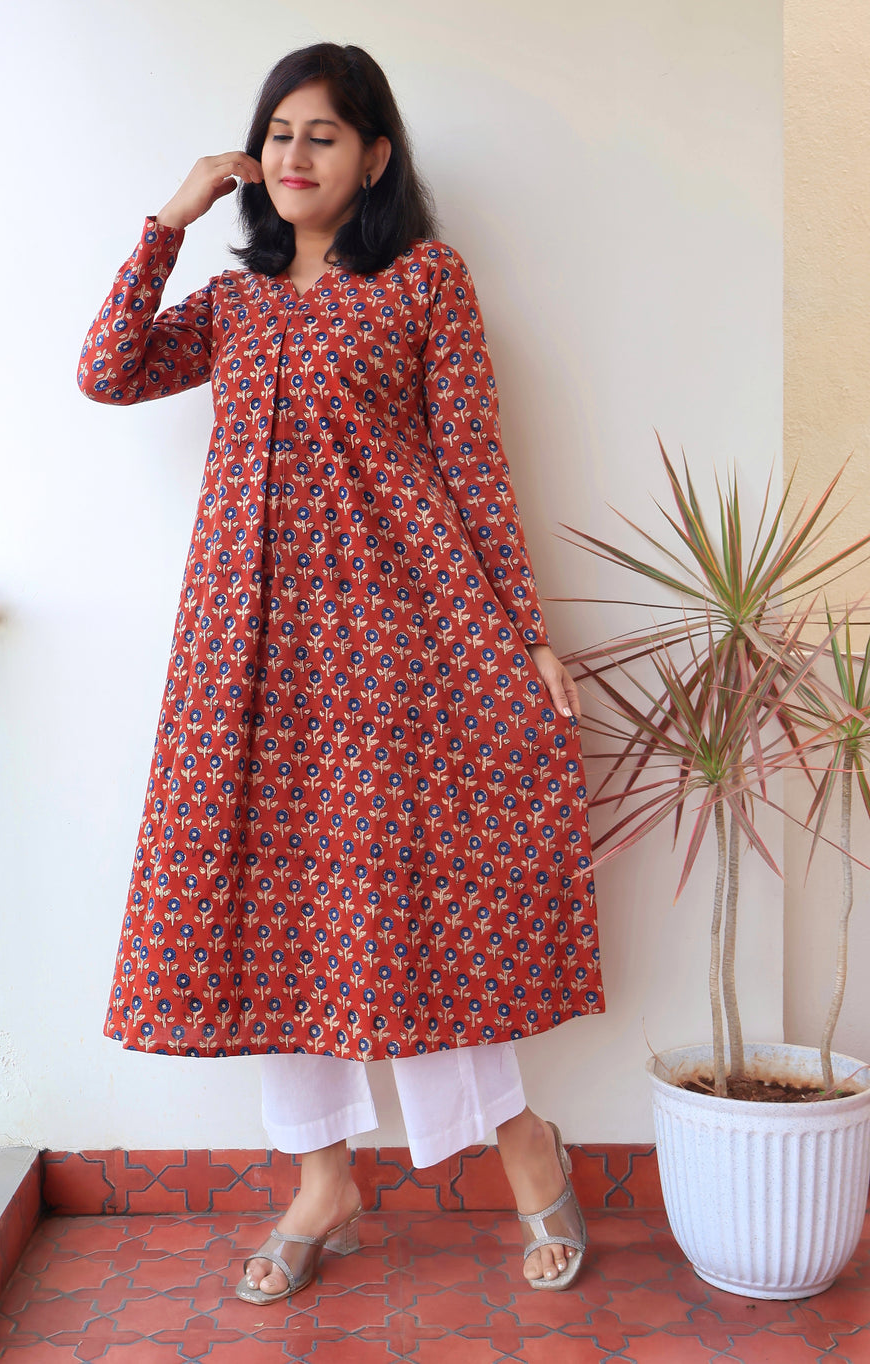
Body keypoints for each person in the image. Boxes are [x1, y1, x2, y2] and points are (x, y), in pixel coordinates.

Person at [78, 42, 604, 1303]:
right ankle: (320, 1177)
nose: (293, 155)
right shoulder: (235, 299)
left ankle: (523, 1148)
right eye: (277, 134)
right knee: (268, 916)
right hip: (244, 652)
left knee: (410, 906)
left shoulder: (424, 281)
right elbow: (106, 369)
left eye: (322, 134)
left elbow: (474, 462)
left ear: (373, 154)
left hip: (395, 645)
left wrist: (524, 635)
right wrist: (171, 216)